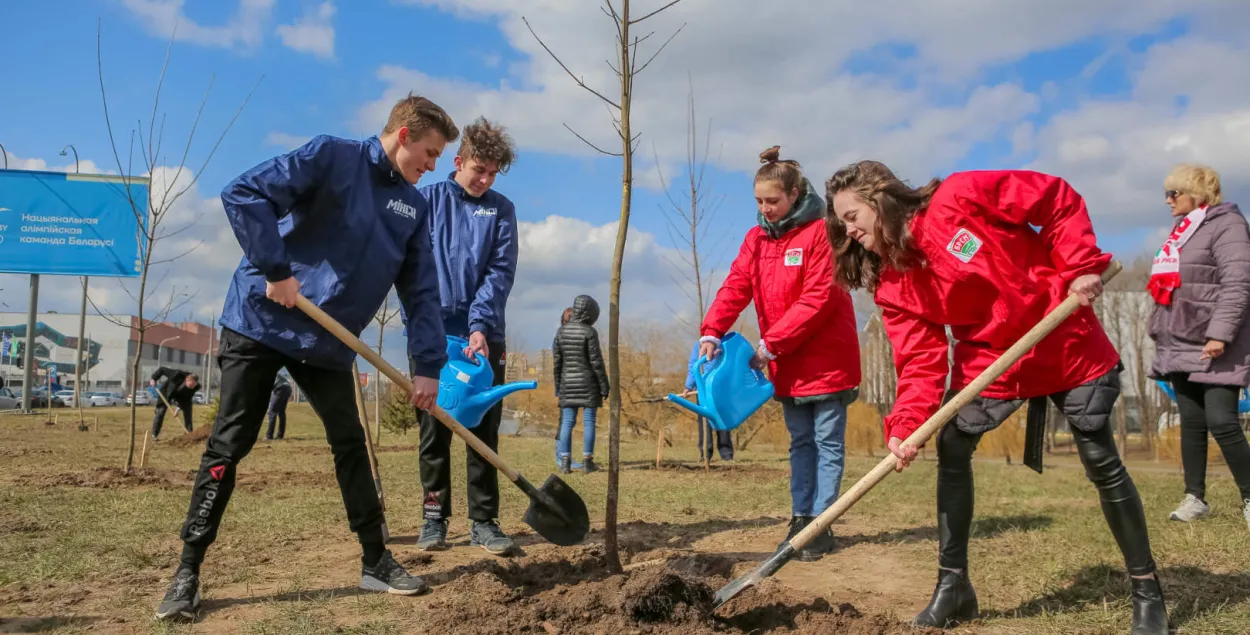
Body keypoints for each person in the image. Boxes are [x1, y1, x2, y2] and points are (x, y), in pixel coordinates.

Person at [826, 160, 1168, 633]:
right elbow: (920, 359)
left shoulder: (959, 197)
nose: (848, 231)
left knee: (1098, 454)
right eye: (840, 222)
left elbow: (1054, 198)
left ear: (877, 197)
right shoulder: (892, 280)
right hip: (991, 360)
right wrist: (907, 425)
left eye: (851, 216)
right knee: (952, 445)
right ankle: (954, 587)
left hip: (1061, 333)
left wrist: (1078, 266)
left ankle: (1148, 593)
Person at [154, 92, 457, 622]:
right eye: (430, 153)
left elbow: (422, 291)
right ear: (404, 135)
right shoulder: (332, 157)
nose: (433, 167)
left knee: (350, 442)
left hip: (327, 339)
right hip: (262, 319)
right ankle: (188, 571)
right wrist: (275, 269)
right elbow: (244, 193)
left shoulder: (415, 206)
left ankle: (375, 561)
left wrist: (427, 366)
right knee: (231, 440)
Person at [699, 146, 860, 562]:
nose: (765, 209)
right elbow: (736, 286)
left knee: (827, 442)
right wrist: (712, 330)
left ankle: (822, 521)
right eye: (759, 201)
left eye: (773, 201)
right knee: (800, 443)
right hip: (786, 361)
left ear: (795, 194)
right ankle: (800, 516)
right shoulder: (756, 240)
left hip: (826, 358)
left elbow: (819, 298)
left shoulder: (822, 234)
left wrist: (772, 343)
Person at [412, 117, 520, 557]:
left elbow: (500, 272)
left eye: (493, 173)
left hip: (485, 337)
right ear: (458, 162)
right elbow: (412, 270)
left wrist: (479, 325)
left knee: (483, 428)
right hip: (432, 335)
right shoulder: (425, 202)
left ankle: (485, 521)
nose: (485, 179)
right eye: (479, 170)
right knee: (433, 429)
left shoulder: (501, 209)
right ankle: (434, 517)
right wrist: (427, 325)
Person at [1147, 163, 1250, 531]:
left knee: (1222, 421)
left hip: (1216, 341)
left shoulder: (1228, 225)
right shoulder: (1182, 231)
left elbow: (1238, 283)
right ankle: (1196, 498)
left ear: (1198, 194)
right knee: (1191, 423)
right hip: (1179, 340)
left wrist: (1220, 333)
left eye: (1174, 193)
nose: (1167, 200)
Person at [553, 294, 610, 475]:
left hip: (567, 384)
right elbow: (596, 362)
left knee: (567, 423)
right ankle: (587, 462)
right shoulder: (589, 332)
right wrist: (604, 386)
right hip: (588, 384)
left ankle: (565, 462)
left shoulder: (561, 332)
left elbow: (557, 363)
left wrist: (558, 386)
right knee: (589, 422)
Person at [679, 339, 733, 462]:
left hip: (721, 389)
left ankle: (726, 453)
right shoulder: (698, 345)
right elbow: (694, 365)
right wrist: (688, 386)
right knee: (704, 421)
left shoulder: (726, 343)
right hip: (703, 389)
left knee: (722, 420)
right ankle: (705, 453)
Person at [149, 367, 199, 439]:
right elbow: (162, 369)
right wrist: (154, 378)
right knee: (161, 411)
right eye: (191, 385)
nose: (192, 387)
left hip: (181, 397)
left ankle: (189, 434)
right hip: (167, 393)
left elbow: (186, 399)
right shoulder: (176, 374)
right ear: (187, 379)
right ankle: (154, 434)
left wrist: (178, 409)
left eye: (194, 385)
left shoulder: (195, 387)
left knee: (188, 409)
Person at [264, 373, 293, 441]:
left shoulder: (263, 373)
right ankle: (280, 435)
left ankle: (269, 436)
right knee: (281, 412)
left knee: (272, 412)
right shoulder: (272, 370)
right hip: (288, 387)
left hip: (280, 388)